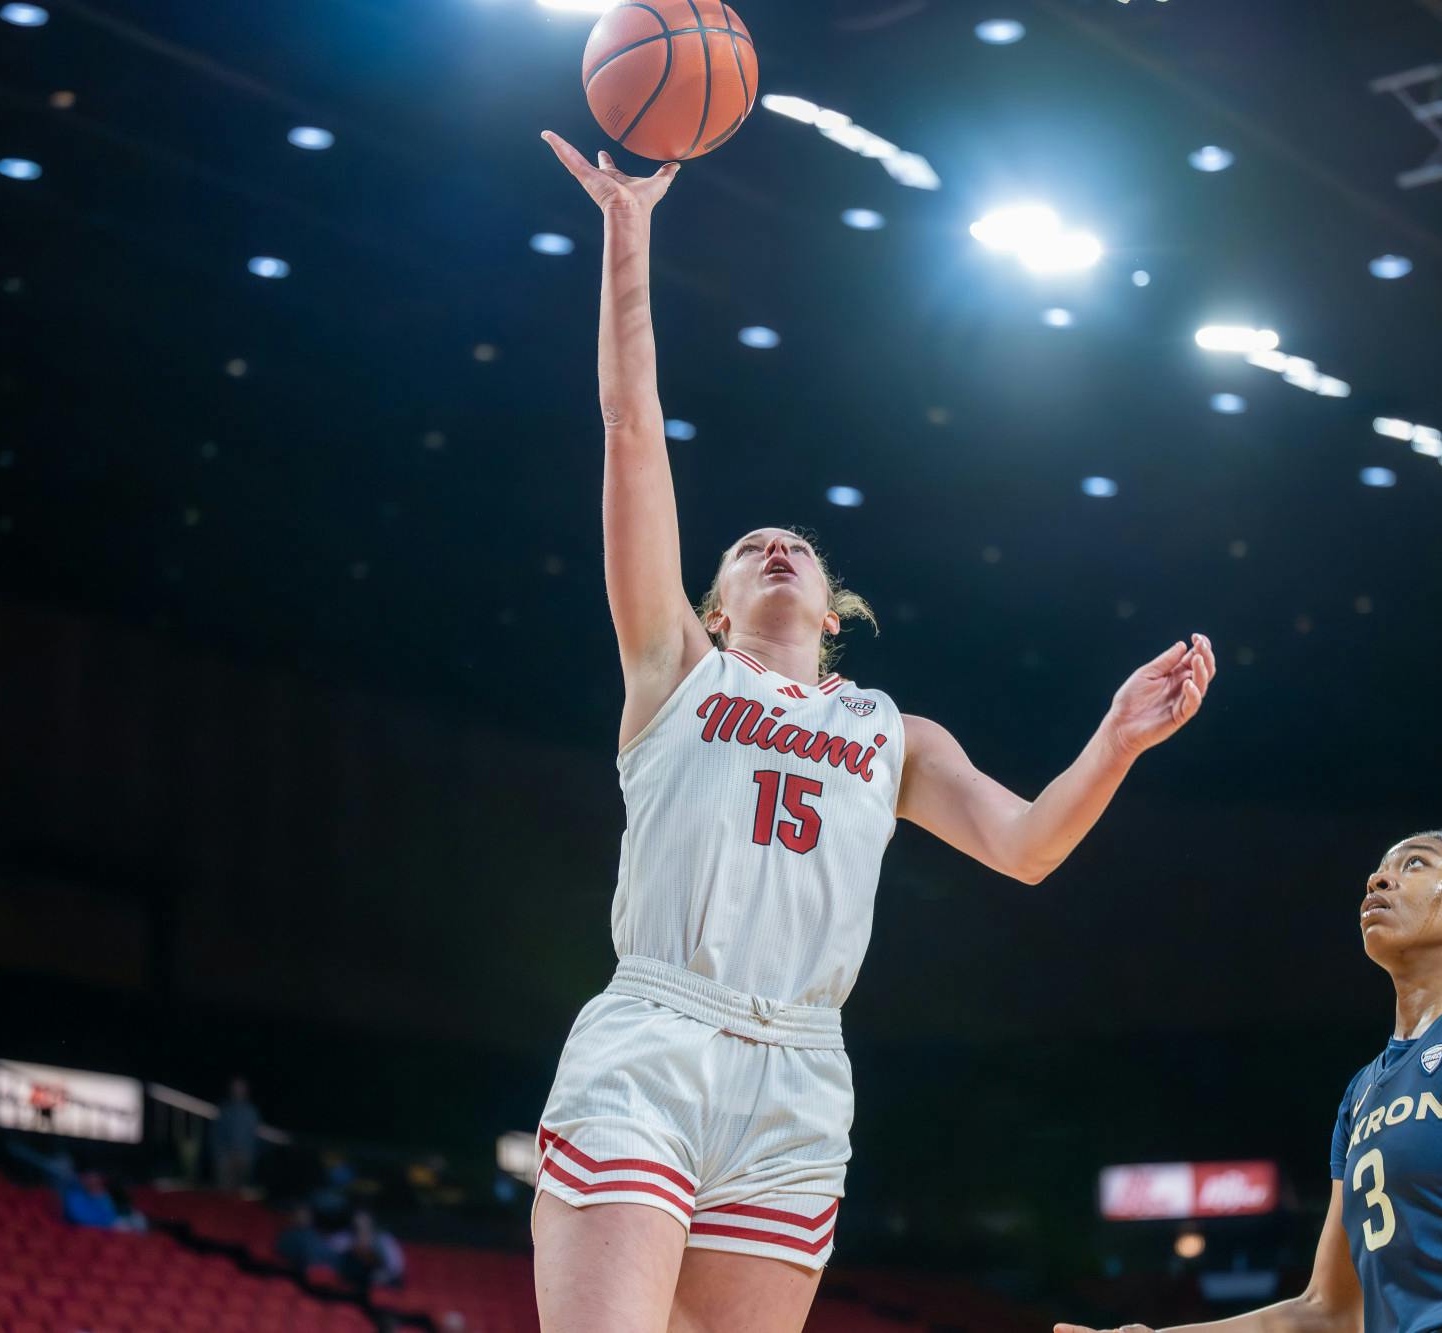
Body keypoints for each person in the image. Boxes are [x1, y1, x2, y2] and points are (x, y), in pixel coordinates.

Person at [532, 130, 1219, 1333]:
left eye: (794, 542)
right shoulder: (674, 671)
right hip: (656, 1033)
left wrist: (1111, 741)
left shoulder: (894, 732)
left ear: (831, 604)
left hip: (801, 1068)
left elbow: (1024, 847)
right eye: (748, 547)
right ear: (716, 604)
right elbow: (629, 429)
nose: (775, 546)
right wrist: (627, 238)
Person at [1056, 831, 1442, 1333]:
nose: (1380, 878)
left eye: (1416, 864)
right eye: (1380, 869)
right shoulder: (1362, 1092)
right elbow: (1329, 1309)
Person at [332, 1209, 405, 1289]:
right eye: (359, 1220)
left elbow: (395, 1265)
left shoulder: (383, 1239)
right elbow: (334, 1249)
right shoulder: (348, 1237)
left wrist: (385, 1275)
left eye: (365, 1220)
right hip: (357, 1277)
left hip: (382, 1276)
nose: (362, 1223)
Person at [212, 1076, 261, 1191]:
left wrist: (249, 1155)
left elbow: (253, 1138)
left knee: (241, 1191)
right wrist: (220, 1155)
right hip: (226, 1156)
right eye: (235, 1087)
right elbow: (216, 1135)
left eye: (240, 1087)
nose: (237, 1090)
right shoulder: (225, 1109)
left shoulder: (251, 1111)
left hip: (244, 1157)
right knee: (225, 1190)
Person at [276, 1203, 335, 1273]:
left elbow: (326, 1255)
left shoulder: (316, 1234)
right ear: (293, 1216)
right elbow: (283, 1253)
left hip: (320, 1271)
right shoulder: (289, 1235)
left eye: (306, 1215)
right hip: (296, 1272)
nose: (303, 1217)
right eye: (300, 1214)